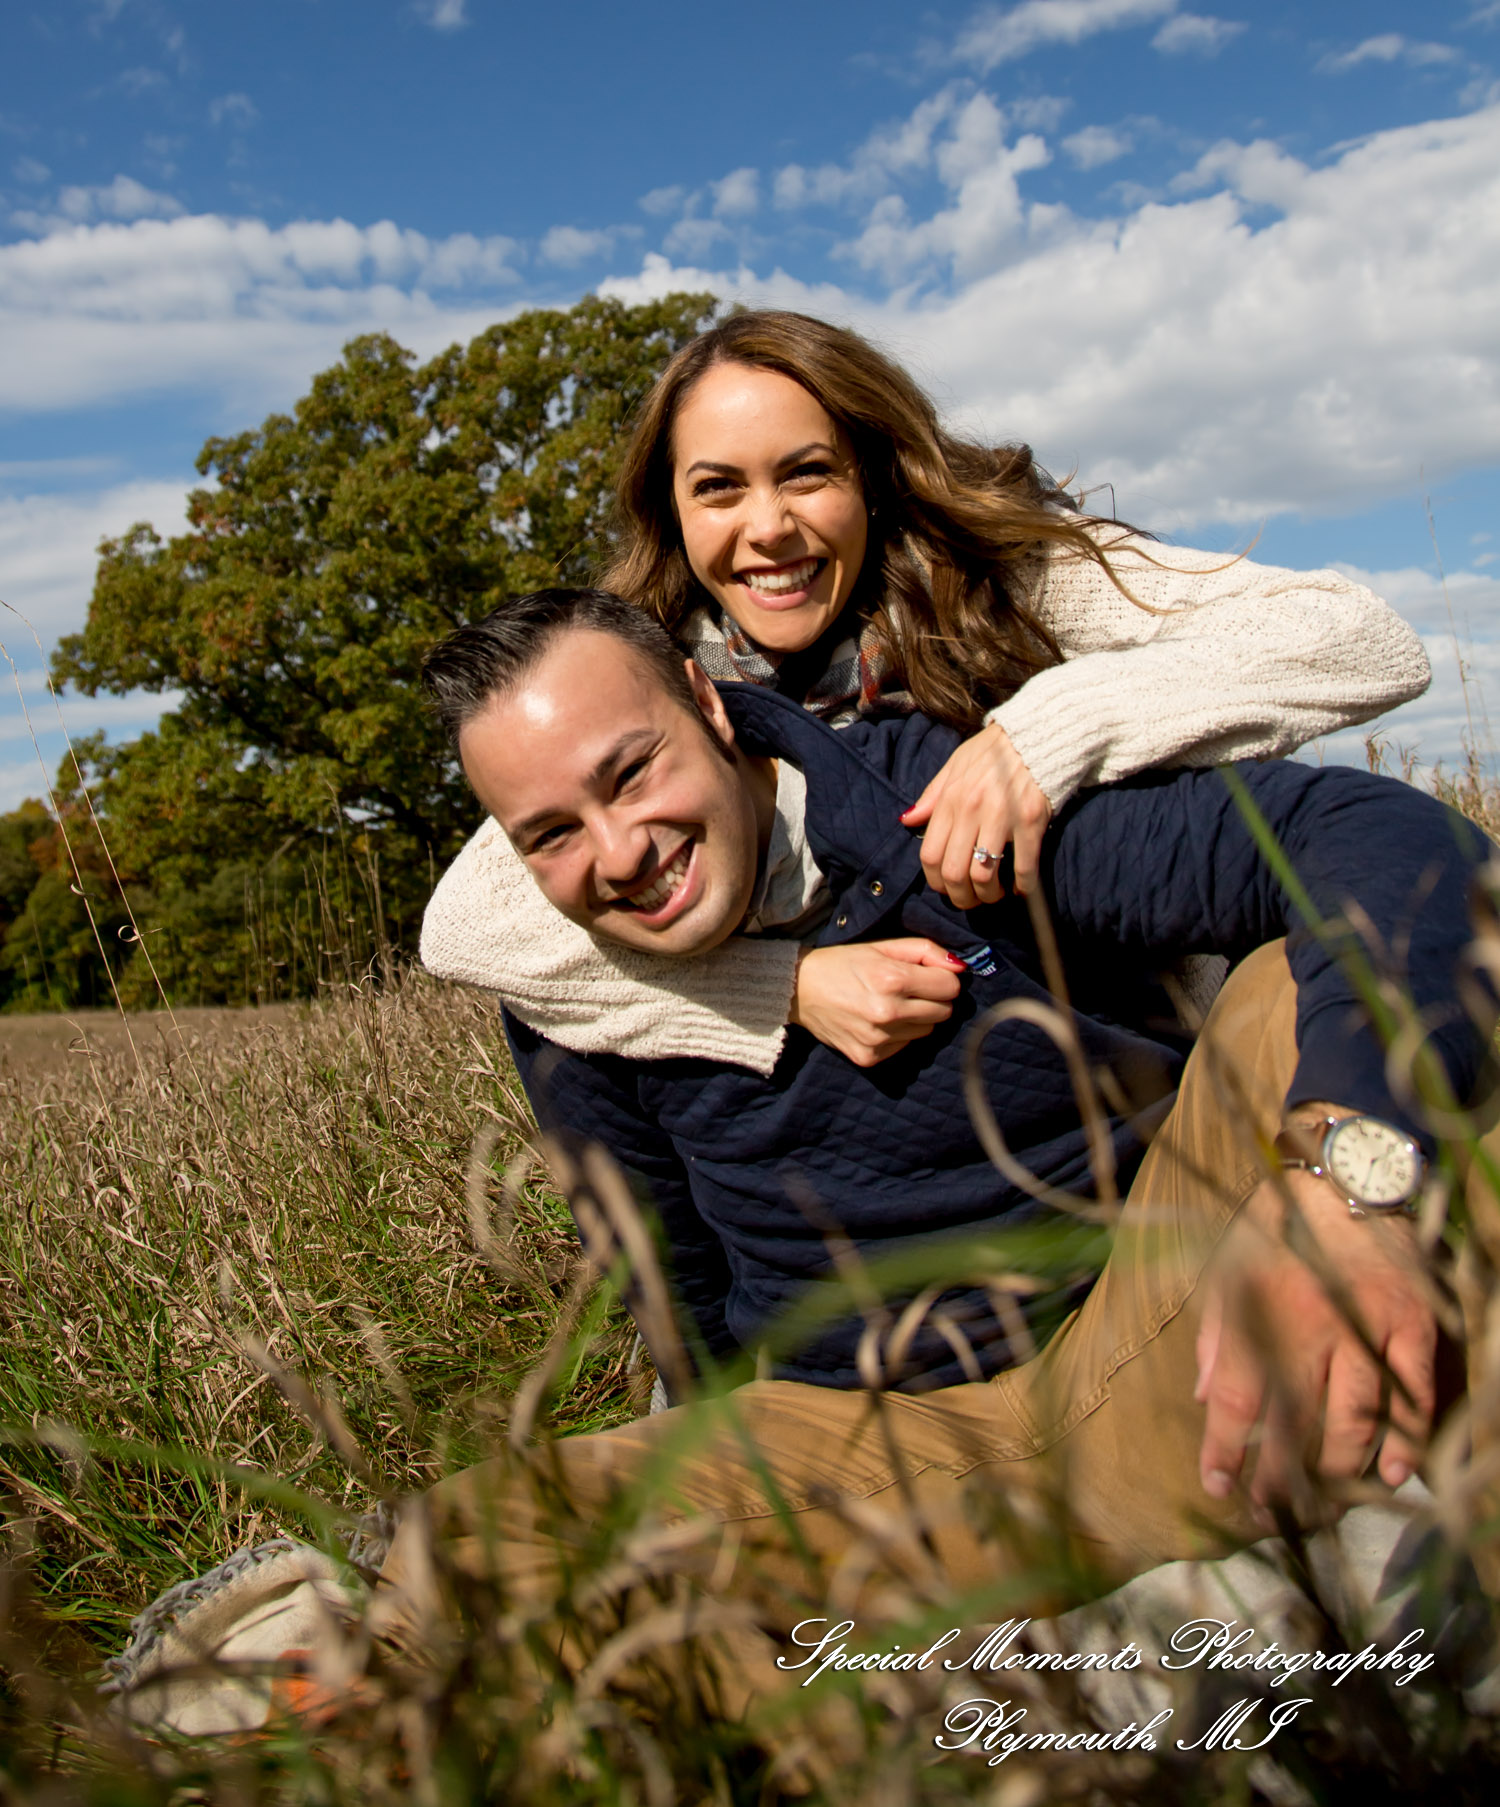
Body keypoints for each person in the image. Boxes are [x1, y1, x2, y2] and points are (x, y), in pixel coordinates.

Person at [400, 588, 1493, 1611]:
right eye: (550, 833)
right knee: (468, 1552)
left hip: (1146, 1330)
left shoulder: (945, 810)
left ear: (706, 701)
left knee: (1305, 994)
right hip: (871, 1442)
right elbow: (672, 1283)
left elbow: (1401, 849)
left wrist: (1349, 1178)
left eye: (631, 773)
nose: (619, 854)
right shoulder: (574, 989)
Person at [420, 310, 1431, 1075]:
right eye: (719, 488)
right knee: (555, 1024)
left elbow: (1360, 640)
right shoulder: (653, 670)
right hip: (847, 1101)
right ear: (672, 509)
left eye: (807, 474)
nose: (765, 528)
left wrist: (1046, 733)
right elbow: (465, 924)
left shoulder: (1002, 581)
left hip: (1104, 1036)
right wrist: (785, 988)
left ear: (872, 472)